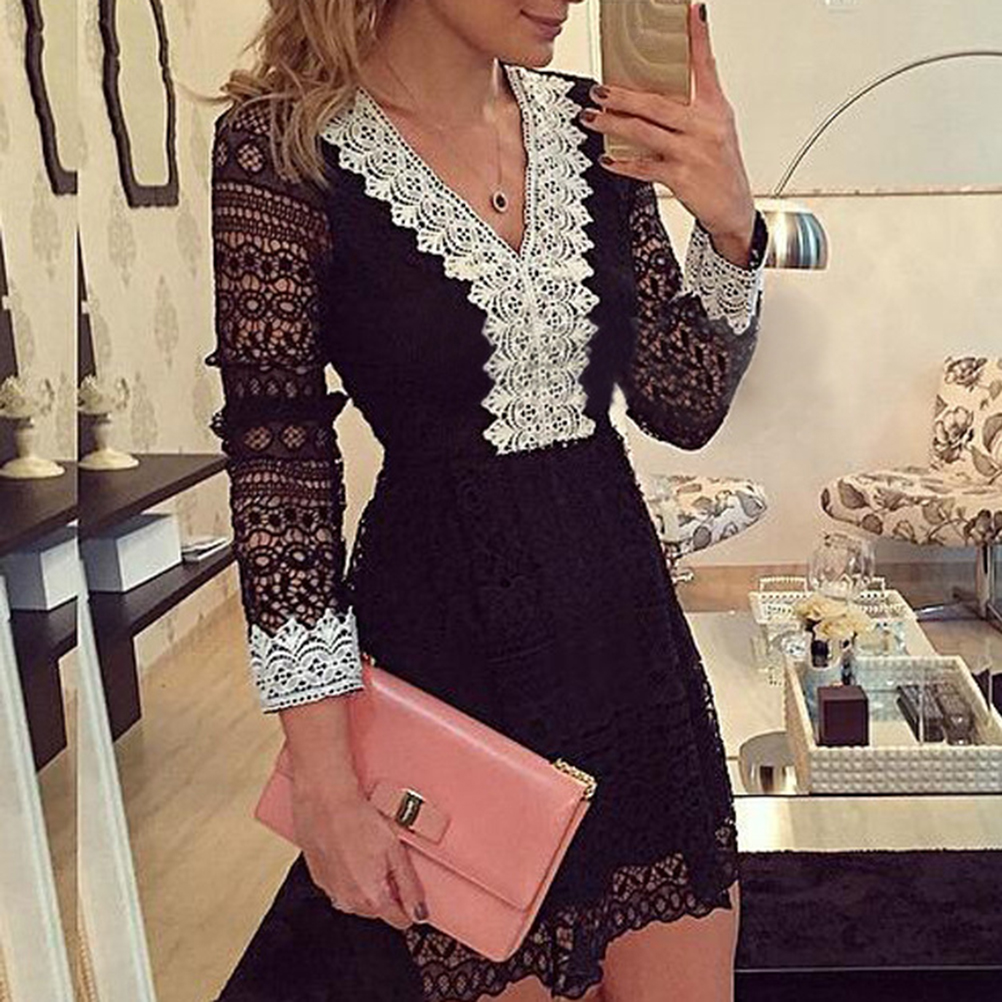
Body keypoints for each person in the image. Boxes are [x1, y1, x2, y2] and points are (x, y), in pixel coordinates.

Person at [204, 0, 768, 999]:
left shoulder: (594, 128)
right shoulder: (282, 151)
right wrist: (325, 778)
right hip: (448, 656)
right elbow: (280, 470)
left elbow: (682, 404)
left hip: (630, 653)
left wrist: (730, 230)